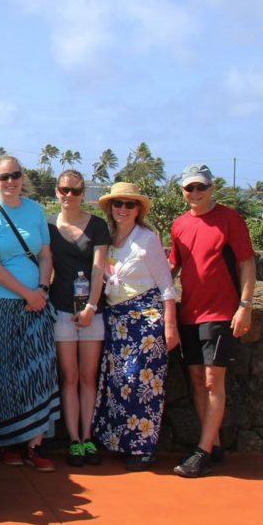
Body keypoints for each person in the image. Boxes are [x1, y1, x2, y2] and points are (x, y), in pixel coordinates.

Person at [0, 155, 59, 472]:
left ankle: (35, 445)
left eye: (15, 175)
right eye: (3, 177)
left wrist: (42, 290)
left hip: (36, 299)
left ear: (23, 177)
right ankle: (6, 443)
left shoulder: (36, 210)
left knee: (38, 370)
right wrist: (28, 294)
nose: (10, 181)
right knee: (0, 371)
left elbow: (46, 255)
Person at [170, 164, 256, 478]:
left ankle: (202, 451)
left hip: (221, 313)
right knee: (195, 379)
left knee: (211, 381)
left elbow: (247, 264)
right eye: (189, 188)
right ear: (182, 190)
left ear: (212, 188)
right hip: (190, 313)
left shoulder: (231, 220)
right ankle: (215, 444)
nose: (195, 193)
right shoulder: (179, 225)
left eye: (200, 188)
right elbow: (173, 266)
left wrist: (244, 306)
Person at [94, 182, 179, 471]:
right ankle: (121, 441)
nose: (123, 209)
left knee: (142, 382)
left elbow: (167, 286)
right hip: (116, 320)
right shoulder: (108, 239)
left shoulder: (147, 240)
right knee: (119, 382)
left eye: (129, 204)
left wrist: (170, 326)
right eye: (118, 204)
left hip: (145, 319)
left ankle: (143, 447)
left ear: (138, 209)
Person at [48, 169, 111, 466]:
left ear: (83, 193)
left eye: (74, 191)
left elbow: (99, 268)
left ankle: (88, 438)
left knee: (88, 376)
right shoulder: (48, 226)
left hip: (91, 310)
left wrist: (92, 307)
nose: (68, 195)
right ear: (56, 191)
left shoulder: (97, 226)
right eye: (63, 190)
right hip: (61, 309)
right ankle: (73, 439)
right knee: (69, 376)